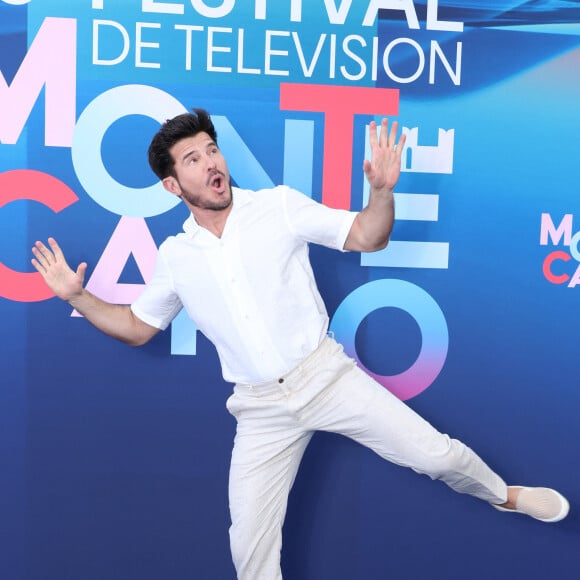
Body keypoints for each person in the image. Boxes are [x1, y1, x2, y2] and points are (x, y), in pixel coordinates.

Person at [32, 109, 569, 579]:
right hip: (260, 409)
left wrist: (381, 192)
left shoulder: (277, 207)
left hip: (325, 377)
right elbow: (138, 327)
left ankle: (505, 495)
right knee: (249, 545)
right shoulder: (175, 256)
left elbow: (366, 235)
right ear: (173, 186)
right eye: (193, 159)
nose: (211, 164)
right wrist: (78, 297)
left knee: (436, 454)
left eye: (212, 150)